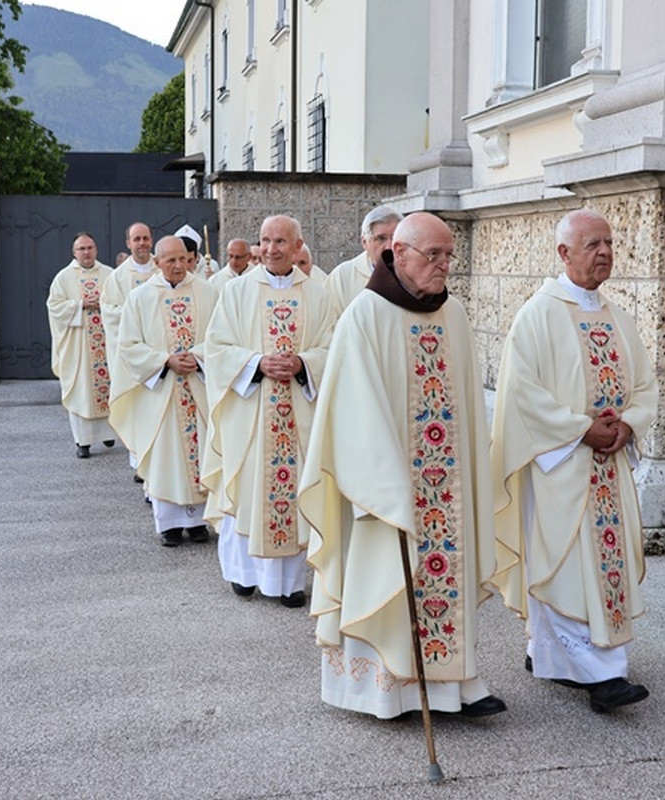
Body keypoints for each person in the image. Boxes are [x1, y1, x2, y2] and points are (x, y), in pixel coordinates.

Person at [300, 212, 506, 720]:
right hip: (388, 488)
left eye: (448, 256)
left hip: (447, 489)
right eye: (432, 255)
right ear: (398, 252)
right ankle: (387, 690)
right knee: (389, 579)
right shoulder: (364, 315)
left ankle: (456, 683)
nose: (443, 266)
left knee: (446, 579)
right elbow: (350, 411)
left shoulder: (452, 315)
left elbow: (467, 408)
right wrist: (388, 478)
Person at [492, 208, 658, 713]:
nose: (605, 252)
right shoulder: (538, 314)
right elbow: (521, 394)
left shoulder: (616, 314)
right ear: (563, 253)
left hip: (609, 466)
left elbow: (647, 386)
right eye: (593, 244)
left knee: (596, 563)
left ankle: (548, 653)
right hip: (562, 466)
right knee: (565, 563)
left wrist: (627, 424)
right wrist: (581, 428)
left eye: (609, 243)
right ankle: (602, 676)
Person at [202, 214, 335, 608]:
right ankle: (243, 575)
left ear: (298, 247)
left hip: (297, 413)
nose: (272, 249)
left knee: (293, 491)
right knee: (248, 487)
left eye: (281, 242)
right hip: (252, 413)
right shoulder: (237, 292)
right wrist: (256, 363)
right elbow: (217, 347)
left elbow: (334, 351)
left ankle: (289, 584)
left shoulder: (320, 295)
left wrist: (304, 364)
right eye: (266, 241)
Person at [110, 237, 217, 546]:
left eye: (183, 259)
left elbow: (222, 337)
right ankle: (168, 524)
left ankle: (198, 521)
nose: (179, 266)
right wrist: (165, 360)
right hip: (161, 392)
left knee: (201, 452)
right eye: (170, 260)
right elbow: (128, 345)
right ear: (156, 263)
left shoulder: (207, 292)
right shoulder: (141, 297)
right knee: (165, 456)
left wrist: (198, 356)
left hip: (198, 386)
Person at [47, 232, 117, 458]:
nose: (86, 252)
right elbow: (54, 307)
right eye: (81, 249)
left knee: (110, 386)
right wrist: (81, 304)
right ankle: (83, 442)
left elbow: (122, 302)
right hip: (79, 348)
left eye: (90, 248)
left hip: (106, 345)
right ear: (74, 252)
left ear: (96, 250)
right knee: (82, 391)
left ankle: (109, 434)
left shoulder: (110, 274)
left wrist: (103, 305)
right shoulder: (64, 277)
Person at [101, 222, 158, 479]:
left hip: (161, 354)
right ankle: (138, 461)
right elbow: (109, 312)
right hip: (134, 357)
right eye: (137, 239)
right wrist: (136, 314)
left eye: (145, 238)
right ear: (128, 243)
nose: (142, 243)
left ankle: (158, 462)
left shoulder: (164, 267)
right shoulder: (118, 277)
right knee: (137, 409)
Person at [324, 204, 402, 312]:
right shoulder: (343, 276)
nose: (389, 246)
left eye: (395, 238)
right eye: (381, 238)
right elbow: (330, 322)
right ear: (364, 242)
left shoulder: (414, 273)